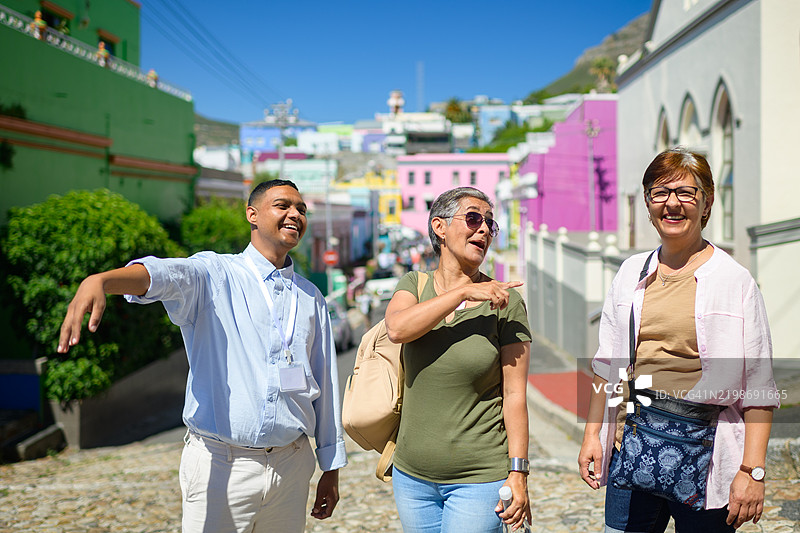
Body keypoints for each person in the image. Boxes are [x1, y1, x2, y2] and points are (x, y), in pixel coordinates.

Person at [57, 179, 347, 533]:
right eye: (283, 205)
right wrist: (101, 281)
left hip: (291, 466)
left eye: (301, 209)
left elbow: (326, 383)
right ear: (251, 215)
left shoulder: (311, 297)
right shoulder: (215, 274)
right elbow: (165, 274)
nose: (295, 214)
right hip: (221, 464)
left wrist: (330, 469)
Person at [577, 148, 778, 532]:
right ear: (648, 203)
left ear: (706, 203)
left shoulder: (734, 281)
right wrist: (593, 435)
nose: (672, 203)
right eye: (660, 193)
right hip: (631, 447)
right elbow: (609, 365)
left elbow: (758, 387)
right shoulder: (630, 271)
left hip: (707, 453)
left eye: (686, 193)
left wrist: (752, 471)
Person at [384, 187, 533, 532]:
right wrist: (463, 291)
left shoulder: (504, 302)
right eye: (473, 218)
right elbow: (397, 328)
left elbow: (514, 395)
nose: (484, 229)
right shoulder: (413, 284)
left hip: (480, 477)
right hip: (412, 478)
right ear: (439, 227)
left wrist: (518, 472)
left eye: (489, 224)